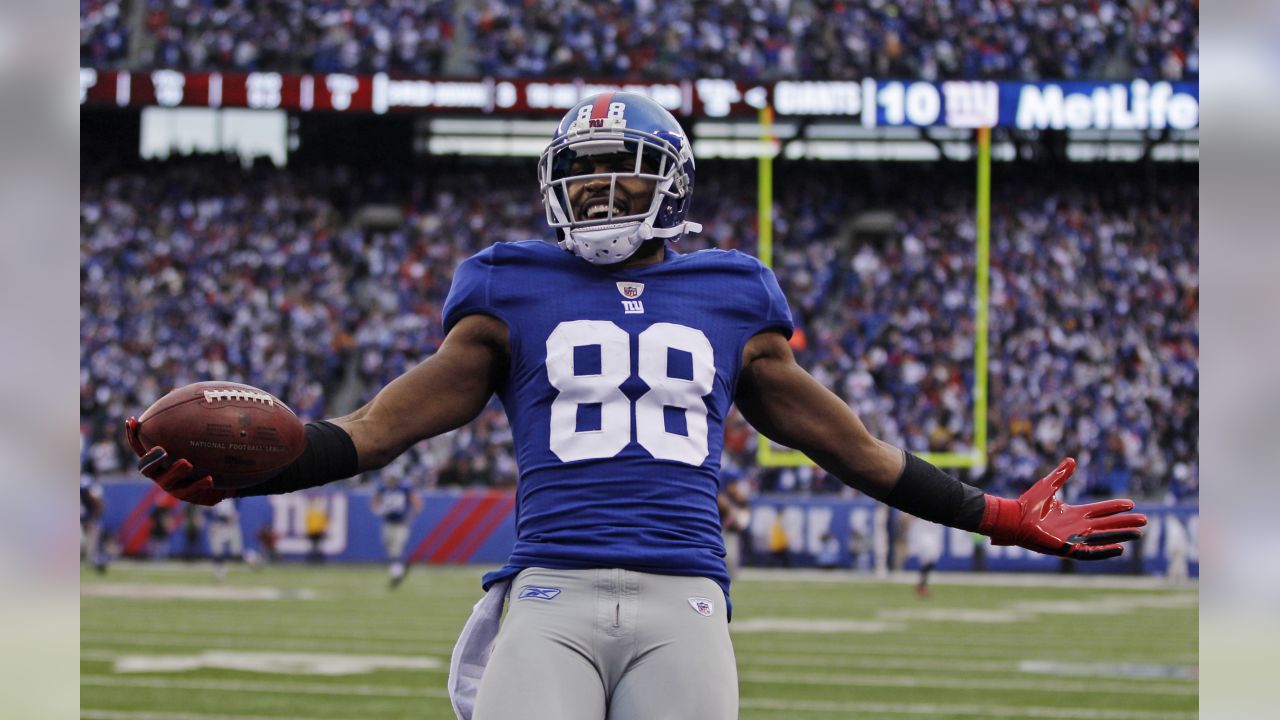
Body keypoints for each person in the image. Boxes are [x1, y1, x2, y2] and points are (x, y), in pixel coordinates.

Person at [124, 92, 1147, 720]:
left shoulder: (733, 292)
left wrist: (997, 515)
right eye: (587, 179)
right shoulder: (502, 285)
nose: (604, 197)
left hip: (685, 599)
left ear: (672, 185)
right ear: (552, 187)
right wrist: (265, 465)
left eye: (626, 178)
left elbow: (855, 451)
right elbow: (372, 430)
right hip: (548, 593)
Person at [371, 473, 422, 588]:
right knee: (388, 545)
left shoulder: (404, 487)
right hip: (388, 522)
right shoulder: (384, 487)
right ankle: (401, 567)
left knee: (396, 548)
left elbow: (416, 501)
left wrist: (412, 514)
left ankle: (397, 573)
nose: (391, 480)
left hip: (401, 523)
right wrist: (377, 509)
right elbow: (375, 500)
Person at [79, 459, 108, 574]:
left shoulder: (85, 482)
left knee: (90, 544)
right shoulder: (86, 481)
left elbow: (96, 502)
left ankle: (94, 562)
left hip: (85, 518)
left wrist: (92, 517)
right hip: (84, 518)